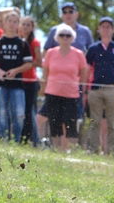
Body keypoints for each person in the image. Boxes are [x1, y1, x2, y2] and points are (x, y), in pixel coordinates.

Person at [40, 24, 88, 152]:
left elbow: (83, 74)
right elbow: (45, 74)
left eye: (68, 35)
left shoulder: (78, 54)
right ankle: (56, 148)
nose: (65, 37)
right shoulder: (50, 53)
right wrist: (44, 89)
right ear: (57, 37)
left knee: (69, 121)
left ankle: (66, 149)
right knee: (54, 120)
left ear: (73, 38)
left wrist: (80, 89)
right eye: (62, 35)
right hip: (52, 92)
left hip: (71, 94)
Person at [0, 11, 33, 142]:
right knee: (2, 113)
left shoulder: (23, 43)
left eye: (15, 21)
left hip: (18, 85)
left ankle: (16, 141)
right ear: (5, 23)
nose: (12, 24)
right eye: (10, 21)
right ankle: (4, 141)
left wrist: (15, 70)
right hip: (1, 84)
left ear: (18, 24)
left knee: (19, 114)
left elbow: (29, 63)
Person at [85, 17, 114, 155]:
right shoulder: (93, 48)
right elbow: (87, 68)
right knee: (94, 121)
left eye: (109, 26)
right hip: (95, 89)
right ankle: (93, 149)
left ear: (113, 29)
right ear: (99, 29)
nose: (106, 29)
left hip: (113, 88)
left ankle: (112, 151)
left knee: (112, 123)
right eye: (103, 26)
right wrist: (84, 89)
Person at [20, 15, 42, 145]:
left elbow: (39, 62)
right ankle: (22, 138)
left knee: (29, 112)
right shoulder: (18, 40)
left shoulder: (35, 42)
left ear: (33, 27)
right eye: (24, 24)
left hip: (31, 81)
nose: (26, 27)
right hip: (18, 80)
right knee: (20, 112)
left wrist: (25, 64)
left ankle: (33, 140)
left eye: (28, 25)